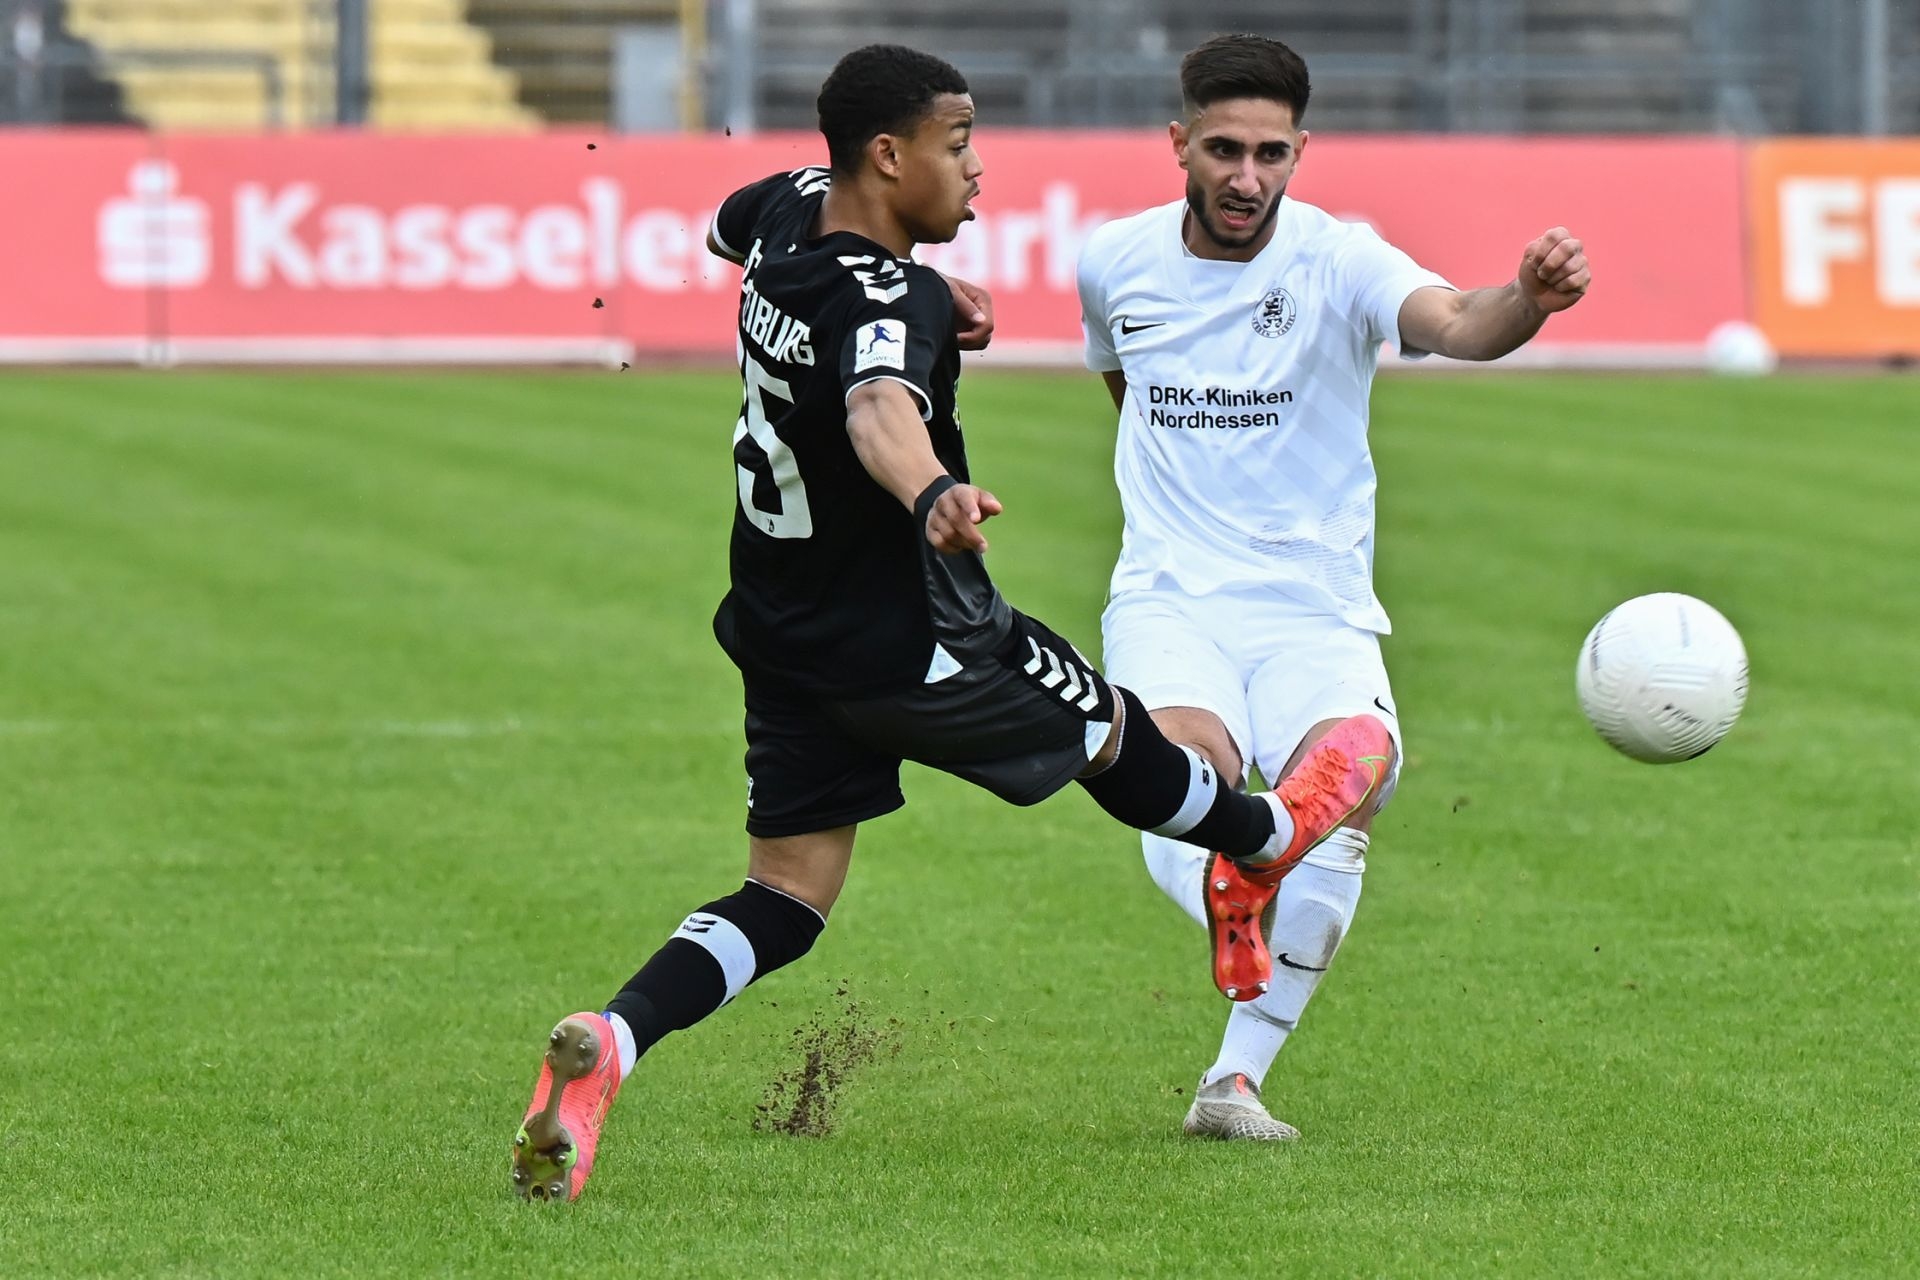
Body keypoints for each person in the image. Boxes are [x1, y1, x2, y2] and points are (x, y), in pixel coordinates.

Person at [506, 43, 1392, 1202]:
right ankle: (1258, 835)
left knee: (785, 896)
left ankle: (611, 1040)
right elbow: (878, 405)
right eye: (958, 143)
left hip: (782, 631)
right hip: (915, 639)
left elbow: (735, 233)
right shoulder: (894, 300)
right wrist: (931, 486)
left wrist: (919, 297)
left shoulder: (785, 215)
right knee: (1110, 728)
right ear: (889, 156)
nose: (976, 169)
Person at [1075, 33, 1591, 1141]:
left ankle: (1233, 1082)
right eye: (1223, 149)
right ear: (1179, 143)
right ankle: (1236, 871)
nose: (1245, 176)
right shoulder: (1112, 261)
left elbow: (1459, 323)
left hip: (1314, 602)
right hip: (1171, 593)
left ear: (1301, 152)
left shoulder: (1342, 259)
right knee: (1186, 776)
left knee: (1357, 782)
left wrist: (1528, 299)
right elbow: (1128, 384)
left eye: (1270, 153)